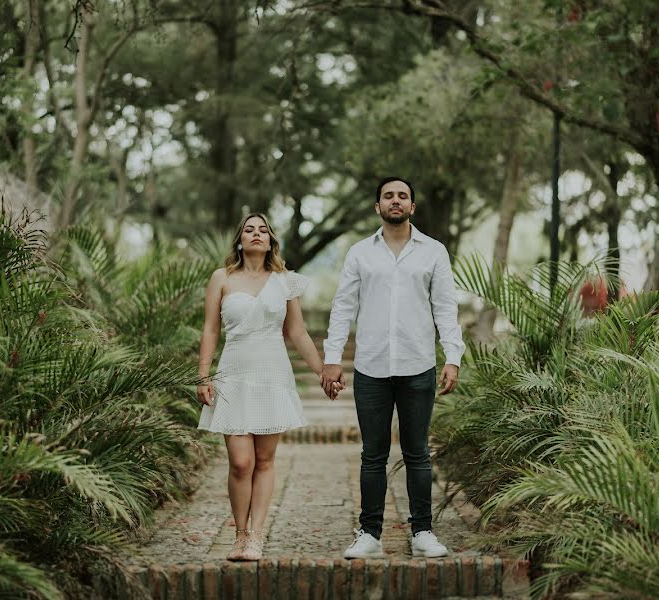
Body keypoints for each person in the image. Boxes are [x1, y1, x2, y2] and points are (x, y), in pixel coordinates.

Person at [321, 177, 465, 559]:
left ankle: (423, 532)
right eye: (388, 196)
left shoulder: (433, 252)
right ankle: (369, 533)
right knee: (373, 454)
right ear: (378, 206)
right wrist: (332, 359)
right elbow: (343, 308)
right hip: (371, 368)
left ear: (412, 207)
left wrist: (453, 356)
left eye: (402, 196)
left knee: (418, 452)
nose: (395, 200)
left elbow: (446, 308)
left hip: (418, 366)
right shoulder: (359, 253)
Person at [196, 213, 338, 561]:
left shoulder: (285, 281)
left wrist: (323, 372)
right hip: (234, 374)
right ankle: (239, 532)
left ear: (271, 240)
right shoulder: (221, 278)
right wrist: (203, 374)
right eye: (249, 229)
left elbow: (298, 332)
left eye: (262, 230)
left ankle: (255, 536)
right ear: (240, 240)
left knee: (264, 460)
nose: (256, 234)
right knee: (240, 462)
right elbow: (211, 330)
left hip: (273, 375)